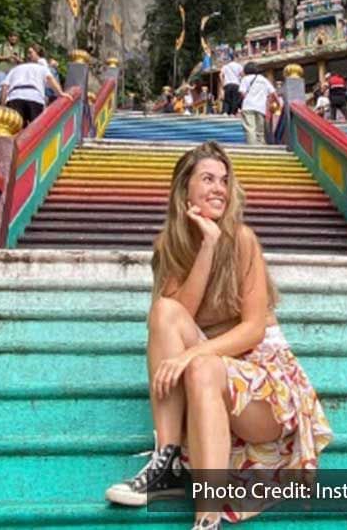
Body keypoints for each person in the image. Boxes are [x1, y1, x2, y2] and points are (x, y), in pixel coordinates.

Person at [104, 142, 331, 527]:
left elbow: (253, 329)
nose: (219, 188)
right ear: (184, 190)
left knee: (203, 366)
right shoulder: (171, 245)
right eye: (207, 179)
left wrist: (191, 356)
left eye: (224, 181)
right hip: (210, 376)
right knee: (165, 315)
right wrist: (206, 247)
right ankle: (176, 471)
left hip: (263, 389)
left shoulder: (243, 240)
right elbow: (178, 317)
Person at [0, 43, 68, 126]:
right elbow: (50, 79)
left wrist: (2, 106)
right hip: (34, 97)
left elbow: (5, 87)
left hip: (15, 97)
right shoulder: (42, 68)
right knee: (35, 128)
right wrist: (60, 93)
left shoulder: (15, 69)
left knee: (14, 128)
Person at [238, 63, 277, 146]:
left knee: (250, 128)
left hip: (248, 106)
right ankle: (261, 146)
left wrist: (249, 99)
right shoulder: (263, 79)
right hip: (261, 107)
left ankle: (252, 147)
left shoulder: (245, 79)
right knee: (260, 130)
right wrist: (276, 103)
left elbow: (242, 93)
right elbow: (273, 93)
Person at [0, 31, 25, 102]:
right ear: (9, 37)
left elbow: (22, 61)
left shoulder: (20, 48)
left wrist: (16, 58)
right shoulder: (2, 46)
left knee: (12, 88)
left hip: (14, 71)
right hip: (3, 69)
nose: (14, 39)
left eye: (15, 38)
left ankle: (8, 103)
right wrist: (7, 57)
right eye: (12, 37)